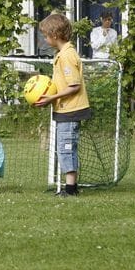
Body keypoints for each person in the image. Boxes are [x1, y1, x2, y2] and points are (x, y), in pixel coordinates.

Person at [33, 13, 89, 196]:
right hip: (65, 110)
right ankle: (69, 187)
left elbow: (74, 85)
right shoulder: (62, 54)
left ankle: (71, 189)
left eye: (45, 35)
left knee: (66, 147)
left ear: (55, 35)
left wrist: (51, 98)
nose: (44, 38)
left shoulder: (67, 55)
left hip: (71, 110)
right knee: (63, 147)